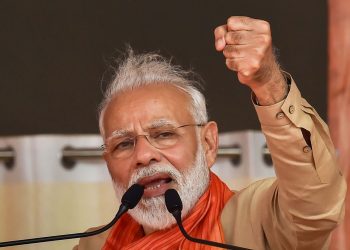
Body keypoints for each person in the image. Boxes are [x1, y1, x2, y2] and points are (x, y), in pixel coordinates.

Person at [73, 16, 346, 250]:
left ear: (208, 144)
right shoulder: (94, 245)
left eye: (164, 134)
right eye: (123, 144)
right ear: (107, 162)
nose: (143, 155)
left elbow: (315, 207)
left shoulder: (257, 220)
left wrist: (268, 82)